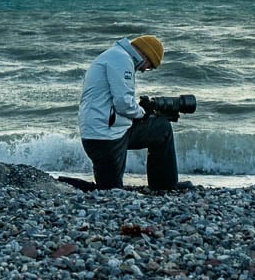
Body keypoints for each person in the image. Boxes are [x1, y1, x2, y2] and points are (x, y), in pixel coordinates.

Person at [78, 35, 186, 190]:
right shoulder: (122, 60)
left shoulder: (115, 55)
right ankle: (61, 183)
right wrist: (143, 113)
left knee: (161, 129)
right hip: (107, 137)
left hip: (101, 133)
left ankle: (164, 185)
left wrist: (140, 111)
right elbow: (123, 104)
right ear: (144, 54)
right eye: (149, 66)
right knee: (109, 190)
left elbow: (115, 102)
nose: (144, 70)